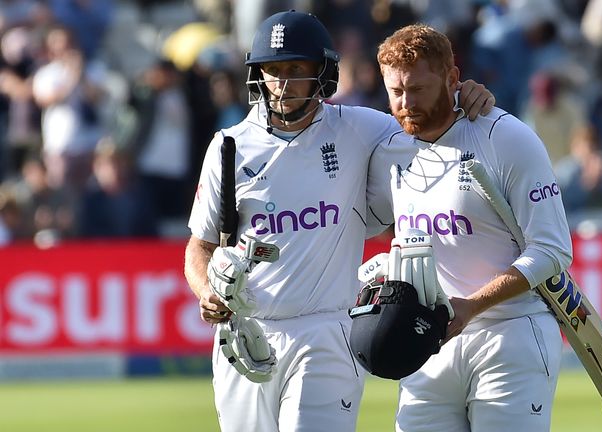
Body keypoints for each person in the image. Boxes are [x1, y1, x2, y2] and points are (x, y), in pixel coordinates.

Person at [182, 10, 494, 432]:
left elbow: (428, 121)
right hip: (246, 334)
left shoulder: (361, 128)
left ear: (323, 74)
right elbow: (199, 246)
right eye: (273, 70)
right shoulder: (229, 146)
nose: (283, 82)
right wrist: (206, 291)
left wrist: (463, 96)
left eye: (296, 69)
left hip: (327, 330)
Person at [366, 24, 573, 431]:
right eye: (395, 92)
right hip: (428, 343)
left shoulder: (505, 136)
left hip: (511, 334)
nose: (406, 103)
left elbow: (552, 250)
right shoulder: (390, 147)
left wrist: (471, 306)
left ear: (452, 78)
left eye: (418, 89)